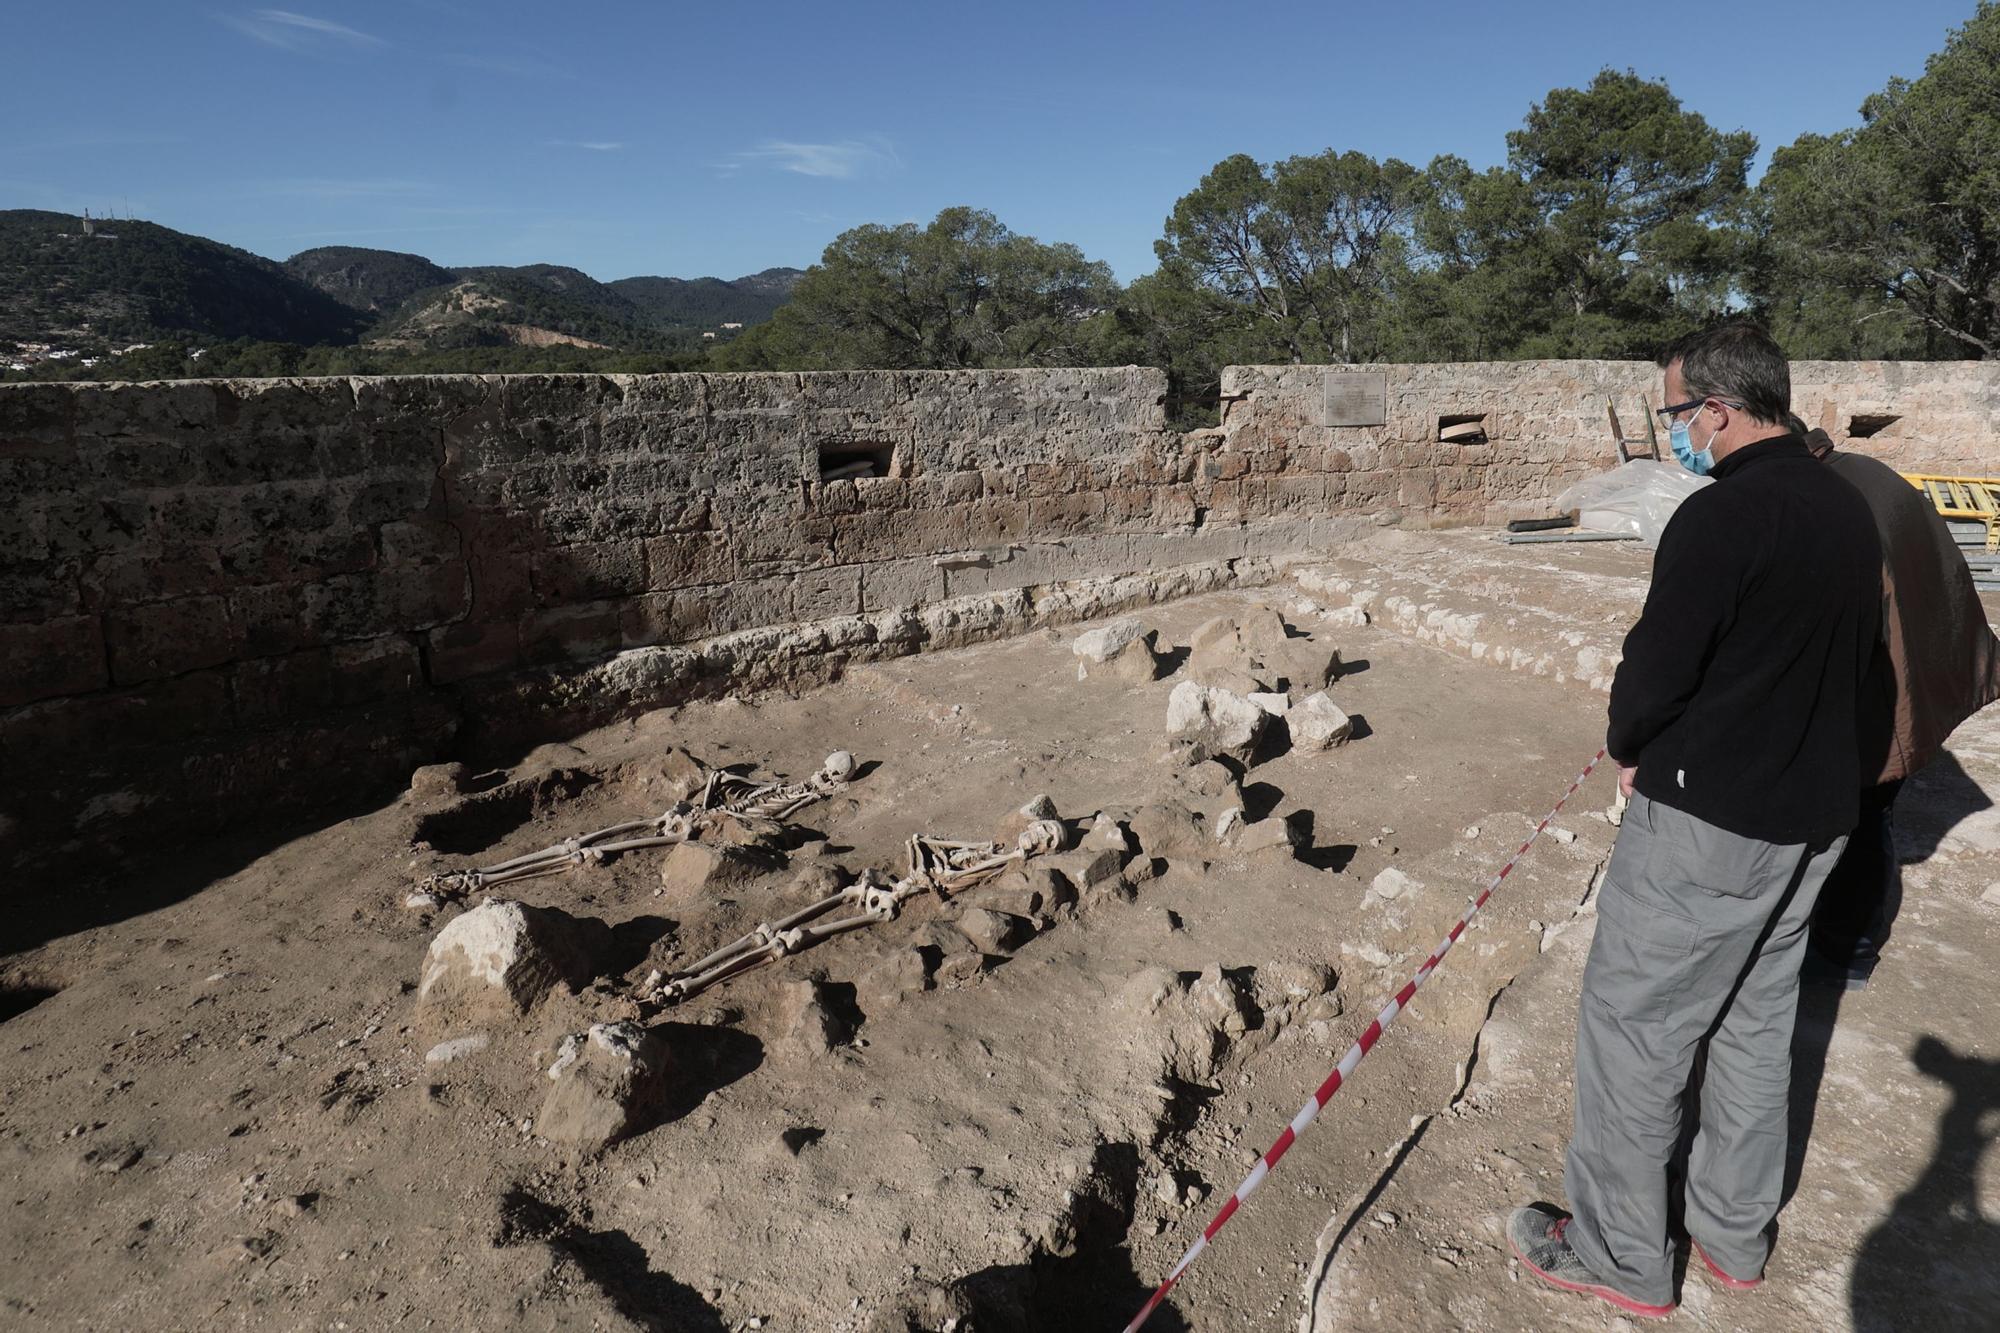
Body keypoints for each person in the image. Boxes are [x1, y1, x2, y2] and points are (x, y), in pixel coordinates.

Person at [1507, 322, 1882, 1317]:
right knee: (1755, 1027)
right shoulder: (1843, 507)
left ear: (1714, 409)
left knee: (1634, 1032)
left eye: (1674, 413)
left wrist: (1630, 743)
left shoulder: (1719, 517)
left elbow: (1653, 673)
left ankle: (1620, 1254)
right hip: (1812, 819)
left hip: (1710, 819)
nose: (1673, 431)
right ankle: (1731, 1233)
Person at [1796, 423, 2000, 988]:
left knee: (1859, 824)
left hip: (1884, 695)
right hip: (1916, 677)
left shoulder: (1831, 501)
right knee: (1870, 816)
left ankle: (1846, 953)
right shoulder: (1869, 472)